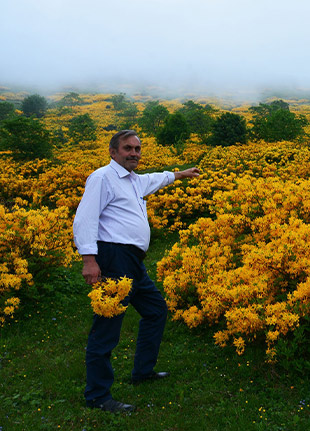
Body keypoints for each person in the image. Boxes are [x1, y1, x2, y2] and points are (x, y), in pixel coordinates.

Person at [73, 130, 200, 412]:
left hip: (132, 262)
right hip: (114, 258)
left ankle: (143, 372)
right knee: (107, 327)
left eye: (138, 149)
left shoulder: (134, 181)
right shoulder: (102, 178)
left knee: (156, 310)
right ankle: (97, 395)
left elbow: (157, 179)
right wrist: (89, 260)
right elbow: (85, 218)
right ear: (113, 152)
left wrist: (181, 174)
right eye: (128, 148)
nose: (134, 153)